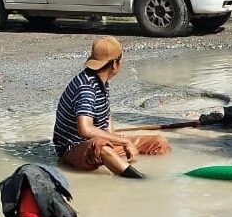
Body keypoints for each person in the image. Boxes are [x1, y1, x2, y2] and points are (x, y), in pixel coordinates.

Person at [53, 36, 170, 178]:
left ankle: (164, 176)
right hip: (74, 149)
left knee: (158, 142)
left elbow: (106, 117)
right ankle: (141, 179)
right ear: (114, 64)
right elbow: (85, 129)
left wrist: (115, 138)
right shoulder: (86, 87)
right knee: (100, 146)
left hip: (100, 144)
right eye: (121, 59)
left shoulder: (101, 80)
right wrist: (124, 141)